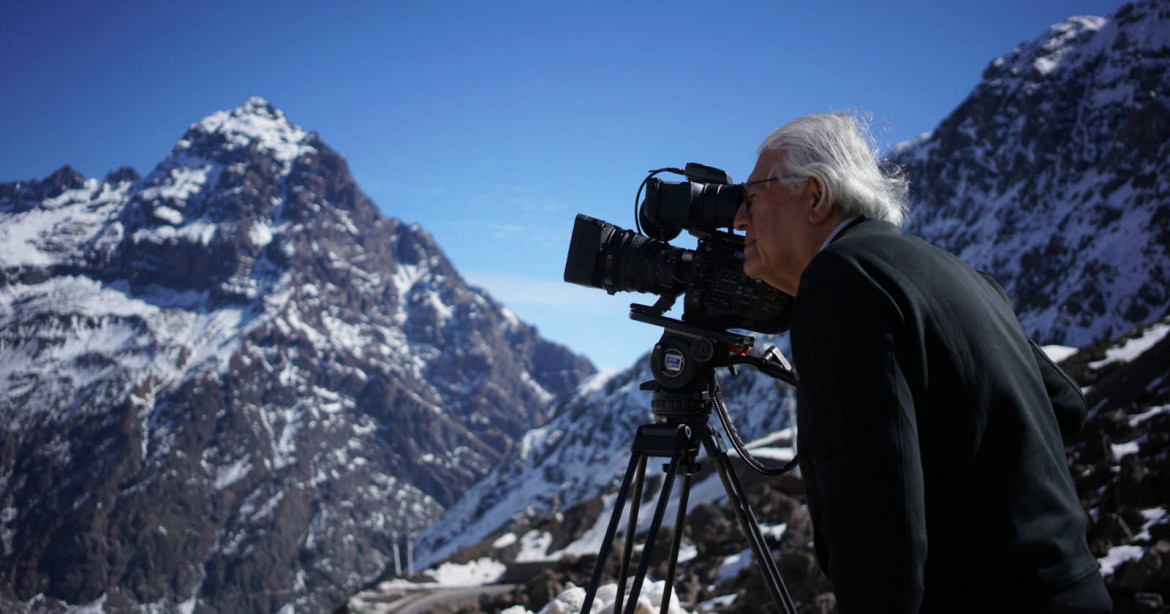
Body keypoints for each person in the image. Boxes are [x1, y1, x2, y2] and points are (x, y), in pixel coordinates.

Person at [732, 113, 1111, 613]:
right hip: (1073, 590)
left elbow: (876, 519)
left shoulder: (840, 278)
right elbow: (1065, 407)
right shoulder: (954, 271)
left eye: (753, 195)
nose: (738, 218)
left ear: (817, 196)